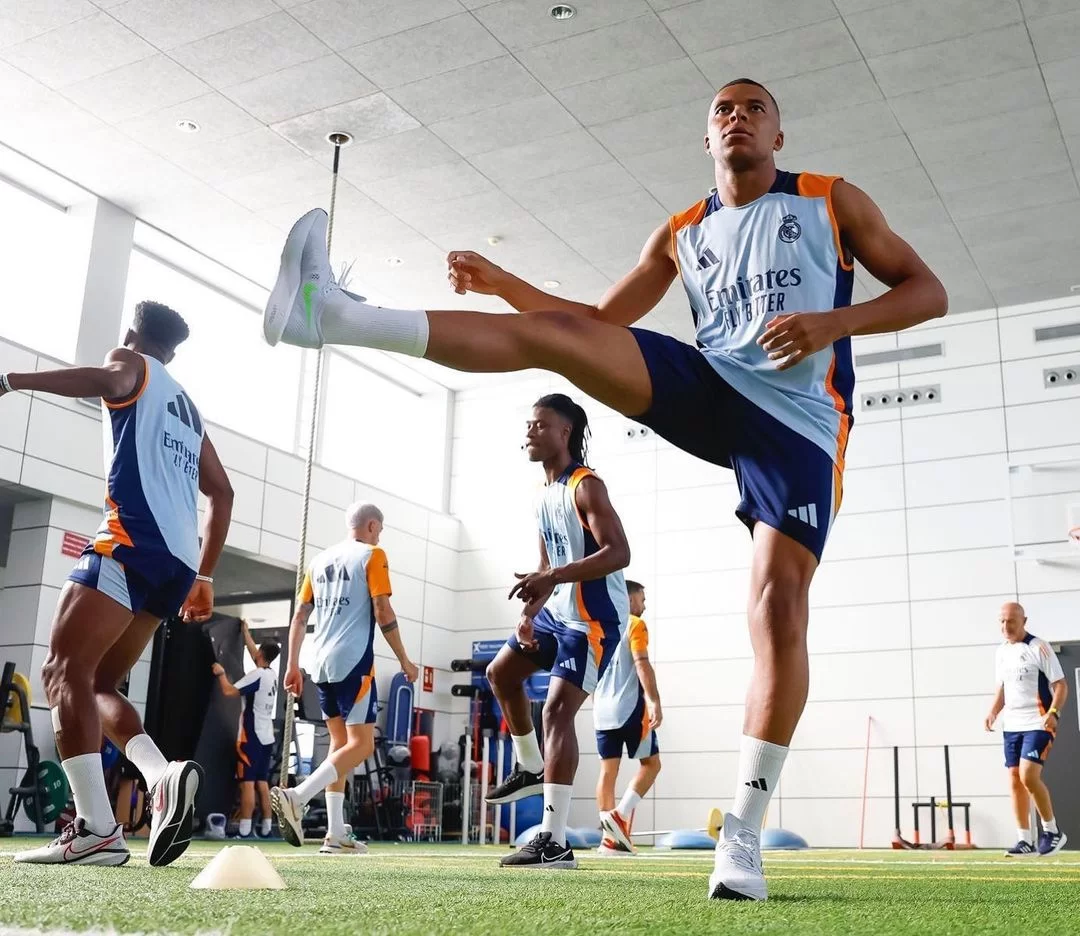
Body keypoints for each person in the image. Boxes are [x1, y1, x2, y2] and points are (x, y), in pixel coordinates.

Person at [263, 78, 948, 898]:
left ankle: (745, 834)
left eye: (753, 108)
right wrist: (505, 282)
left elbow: (928, 291)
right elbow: (594, 320)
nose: (737, 116)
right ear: (706, 139)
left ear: (779, 135)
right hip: (714, 384)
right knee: (563, 344)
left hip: (800, 423)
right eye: (722, 110)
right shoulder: (682, 231)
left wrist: (834, 323)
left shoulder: (831, 201)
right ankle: (329, 316)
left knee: (774, 603)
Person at [2, 300, 234, 867]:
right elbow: (222, 493)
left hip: (132, 539)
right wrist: (204, 575)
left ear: (132, 334)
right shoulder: (188, 406)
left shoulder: (129, 360)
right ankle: (162, 776)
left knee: (61, 670)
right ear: (175, 349)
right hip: (177, 562)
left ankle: (96, 831)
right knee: (101, 679)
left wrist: (11, 379)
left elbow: (105, 378)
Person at [481, 394, 631, 870]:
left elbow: (619, 553)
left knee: (557, 710)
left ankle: (555, 842)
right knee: (500, 673)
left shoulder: (587, 487)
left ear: (564, 433)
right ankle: (529, 764)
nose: (529, 432)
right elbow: (547, 566)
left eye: (540, 424)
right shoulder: (542, 496)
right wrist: (530, 611)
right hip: (556, 611)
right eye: (528, 424)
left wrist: (554, 578)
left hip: (594, 619)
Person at [271, 503, 419, 855]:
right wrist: (404, 659)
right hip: (353, 662)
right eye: (379, 530)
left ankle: (336, 833)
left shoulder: (318, 561)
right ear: (371, 525)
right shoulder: (373, 555)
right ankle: (298, 796)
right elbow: (382, 610)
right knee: (362, 746)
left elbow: (300, 616)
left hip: (319, 664)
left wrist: (292, 665)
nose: (379, 536)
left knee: (340, 749)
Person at [985, 601, 1068, 856]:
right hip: (1012, 725)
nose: (1005, 626)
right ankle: (1024, 839)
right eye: (1002, 621)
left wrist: (1054, 712)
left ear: (1023, 621)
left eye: (1011, 621)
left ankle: (1052, 831)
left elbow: (1061, 685)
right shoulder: (1001, 652)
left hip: (1039, 722)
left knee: (1028, 776)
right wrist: (993, 711)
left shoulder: (1038, 647)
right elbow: (1003, 688)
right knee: (1014, 780)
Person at [593, 580, 661, 856]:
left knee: (607, 773)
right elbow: (641, 662)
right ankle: (620, 816)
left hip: (601, 710)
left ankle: (610, 841)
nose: (644, 605)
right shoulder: (634, 623)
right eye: (642, 599)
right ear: (631, 599)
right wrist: (654, 700)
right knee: (651, 764)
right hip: (629, 706)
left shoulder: (600, 625)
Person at [211, 621, 280, 839]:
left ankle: (244, 829)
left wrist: (221, 673)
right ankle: (267, 827)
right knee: (262, 783)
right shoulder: (271, 674)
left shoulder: (257, 675)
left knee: (247, 784)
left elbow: (230, 691)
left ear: (261, 653)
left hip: (250, 736)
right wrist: (246, 633)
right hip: (266, 735)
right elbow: (256, 656)